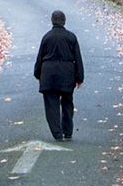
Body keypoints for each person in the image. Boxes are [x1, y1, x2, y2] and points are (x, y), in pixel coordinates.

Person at [33, 10, 84, 142]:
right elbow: (78, 58)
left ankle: (57, 133)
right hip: (67, 74)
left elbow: (40, 58)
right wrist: (80, 78)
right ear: (64, 21)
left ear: (52, 21)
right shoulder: (71, 37)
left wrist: (37, 73)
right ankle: (68, 132)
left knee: (51, 105)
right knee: (67, 102)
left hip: (48, 74)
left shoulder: (47, 37)